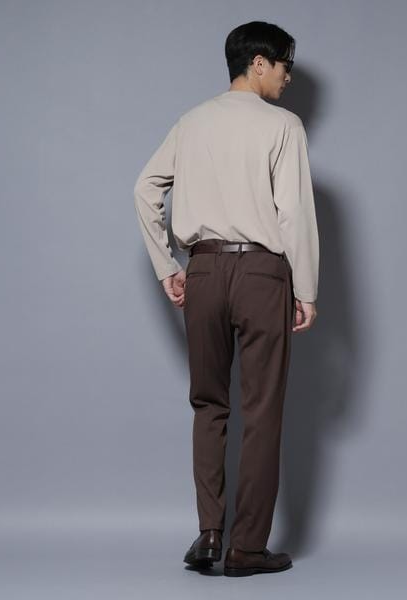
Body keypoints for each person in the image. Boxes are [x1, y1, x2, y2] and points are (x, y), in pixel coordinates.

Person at [133, 20, 319, 577]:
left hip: (206, 271)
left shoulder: (191, 122)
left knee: (208, 403)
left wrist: (167, 265)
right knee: (261, 411)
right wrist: (306, 290)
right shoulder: (284, 126)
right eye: (285, 65)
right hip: (263, 273)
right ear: (258, 63)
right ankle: (247, 547)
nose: (288, 77)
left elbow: (144, 188)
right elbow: (294, 213)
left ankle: (209, 532)